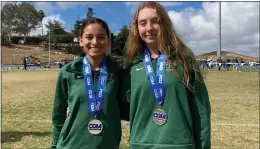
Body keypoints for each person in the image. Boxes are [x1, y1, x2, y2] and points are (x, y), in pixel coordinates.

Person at [121, 2, 211, 149]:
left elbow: (201, 110)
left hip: (180, 145)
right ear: (136, 28)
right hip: (141, 145)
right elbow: (120, 106)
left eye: (155, 21)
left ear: (165, 23)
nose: (149, 28)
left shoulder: (184, 58)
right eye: (143, 23)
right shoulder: (131, 64)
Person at [50, 17, 128, 149]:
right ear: (81, 41)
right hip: (71, 145)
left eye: (101, 37)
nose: (95, 42)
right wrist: (53, 146)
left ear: (108, 41)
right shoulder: (68, 71)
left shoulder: (119, 72)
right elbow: (58, 118)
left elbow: (128, 110)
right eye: (89, 37)